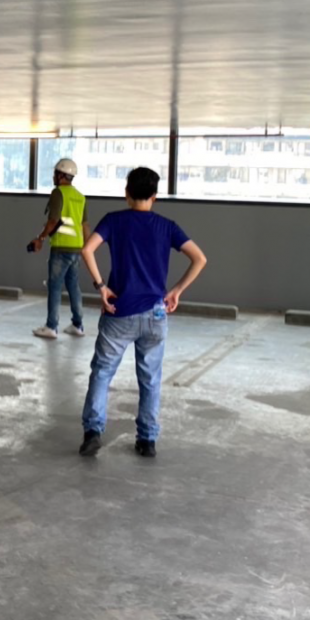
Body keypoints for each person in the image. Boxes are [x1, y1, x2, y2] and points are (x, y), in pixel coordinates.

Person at [78, 166, 207, 459]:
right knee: (150, 378)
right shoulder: (167, 226)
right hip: (155, 314)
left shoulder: (113, 221)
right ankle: (147, 439)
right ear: (154, 196)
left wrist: (101, 286)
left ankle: (92, 433)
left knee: (102, 372)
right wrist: (176, 291)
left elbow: (87, 250)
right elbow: (200, 258)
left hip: (119, 311)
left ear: (126, 193)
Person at [30, 157, 90, 340]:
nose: (53, 177)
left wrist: (40, 238)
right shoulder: (80, 197)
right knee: (73, 286)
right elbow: (85, 225)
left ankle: (51, 326)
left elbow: (53, 220)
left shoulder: (58, 193)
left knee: (55, 287)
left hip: (61, 247)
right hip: (76, 248)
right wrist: (87, 248)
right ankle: (78, 325)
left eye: (55, 173)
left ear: (62, 175)